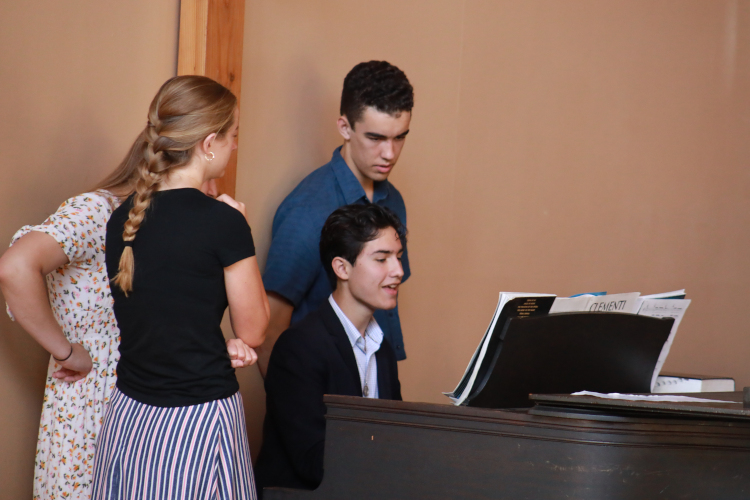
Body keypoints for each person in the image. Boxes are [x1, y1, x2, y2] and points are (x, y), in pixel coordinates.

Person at [0, 127, 254, 500]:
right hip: (92, 395)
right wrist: (66, 351)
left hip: (139, 389)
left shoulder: (165, 218)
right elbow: (15, 268)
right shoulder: (99, 211)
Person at [90, 75, 269, 499]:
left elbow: (161, 316)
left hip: (130, 418)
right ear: (209, 143)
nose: (235, 146)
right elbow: (255, 329)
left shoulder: (121, 221)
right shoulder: (223, 223)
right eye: (233, 136)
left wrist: (215, 343)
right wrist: (241, 228)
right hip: (197, 420)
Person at [258, 60, 414, 375]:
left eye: (399, 138)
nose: (390, 153)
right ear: (344, 127)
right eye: (376, 138)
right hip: (318, 394)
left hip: (373, 392)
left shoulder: (393, 201)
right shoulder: (308, 209)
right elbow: (270, 330)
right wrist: (295, 409)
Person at [254, 204, 404, 495]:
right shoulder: (299, 346)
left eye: (398, 257)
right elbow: (313, 462)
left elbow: (396, 433)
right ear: (341, 268)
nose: (398, 271)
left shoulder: (382, 348)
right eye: (382, 259)